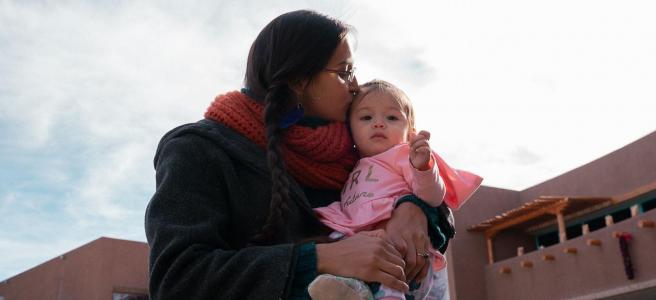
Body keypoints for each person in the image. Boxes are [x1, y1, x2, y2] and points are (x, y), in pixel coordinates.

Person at [145, 10, 448, 300]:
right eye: (345, 72)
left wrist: (416, 210)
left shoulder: (356, 146)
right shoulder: (198, 149)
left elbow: (435, 205)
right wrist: (318, 259)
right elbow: (177, 280)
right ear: (298, 81)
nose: (356, 86)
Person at [308, 80, 482, 300]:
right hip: (358, 235)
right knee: (336, 241)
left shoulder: (403, 155)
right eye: (366, 117)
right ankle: (348, 287)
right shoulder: (350, 165)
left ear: (410, 131)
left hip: (399, 245)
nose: (378, 123)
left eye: (391, 117)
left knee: (389, 260)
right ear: (350, 129)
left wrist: (424, 168)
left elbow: (433, 197)